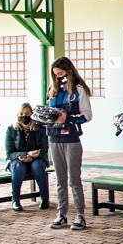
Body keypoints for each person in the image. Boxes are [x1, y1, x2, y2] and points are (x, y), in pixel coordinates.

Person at [46, 57, 93, 231]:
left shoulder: (78, 90)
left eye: (61, 73)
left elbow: (87, 115)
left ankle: (80, 214)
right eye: (55, 75)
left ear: (68, 71)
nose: (59, 77)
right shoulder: (52, 90)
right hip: (54, 139)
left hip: (71, 140)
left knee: (74, 179)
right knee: (60, 180)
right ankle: (62, 213)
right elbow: (48, 112)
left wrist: (68, 118)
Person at [5, 102, 50, 212]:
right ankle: (15, 200)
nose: (24, 116)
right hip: (17, 160)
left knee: (37, 166)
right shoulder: (11, 129)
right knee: (18, 167)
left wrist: (32, 157)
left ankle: (44, 198)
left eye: (27, 113)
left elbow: (44, 149)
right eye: (21, 114)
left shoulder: (40, 129)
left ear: (32, 114)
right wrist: (25, 155)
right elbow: (9, 153)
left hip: (36, 158)